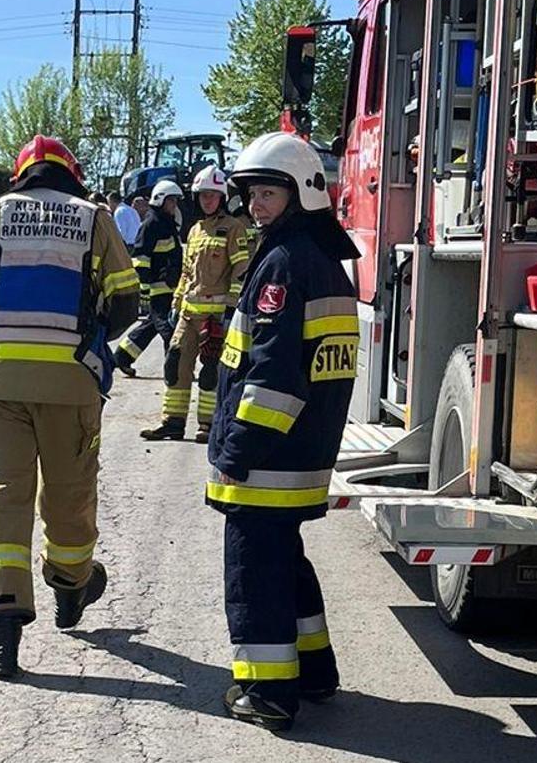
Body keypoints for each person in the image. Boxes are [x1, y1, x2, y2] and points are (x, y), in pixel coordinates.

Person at [0, 135, 139, 681]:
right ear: (70, 175)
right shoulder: (94, 219)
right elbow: (126, 303)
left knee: (3, 498)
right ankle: (72, 588)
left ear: (21, 175)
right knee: (69, 497)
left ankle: (2, 637)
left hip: (2, 384)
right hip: (72, 388)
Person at [205, 131, 359, 731]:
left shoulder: (282, 263)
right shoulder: (320, 261)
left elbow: (273, 377)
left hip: (268, 458)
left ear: (303, 195)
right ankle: (314, 674)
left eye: (269, 193)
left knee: (254, 574)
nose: (257, 205)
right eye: (253, 194)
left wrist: (236, 449)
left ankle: (267, 694)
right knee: (285, 562)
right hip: (301, 455)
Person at [142, 165, 249, 442]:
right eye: (202, 195)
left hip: (215, 318)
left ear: (222, 197)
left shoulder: (234, 228)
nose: (207, 200)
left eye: (212, 196)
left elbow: (241, 271)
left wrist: (230, 309)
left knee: (211, 372)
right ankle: (173, 422)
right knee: (175, 364)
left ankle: (208, 425)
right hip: (188, 314)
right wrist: (176, 303)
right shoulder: (195, 230)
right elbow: (188, 272)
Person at [112, 180, 185, 377]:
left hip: (169, 286)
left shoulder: (165, 223)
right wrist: (144, 288)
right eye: (171, 201)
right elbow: (140, 258)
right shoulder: (152, 224)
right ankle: (174, 368)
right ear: (161, 200)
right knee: (168, 328)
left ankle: (123, 356)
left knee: (150, 327)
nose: (174, 206)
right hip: (158, 288)